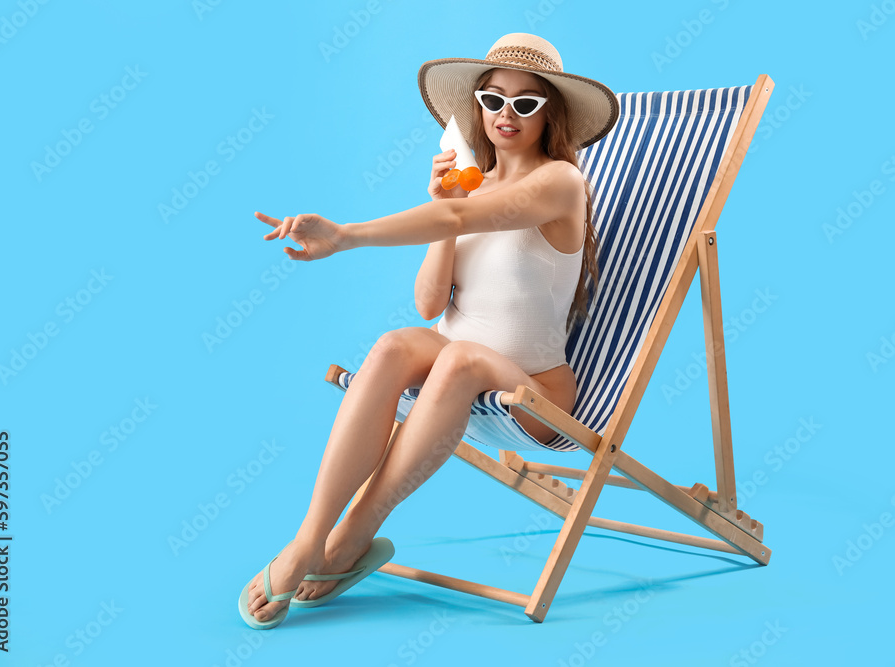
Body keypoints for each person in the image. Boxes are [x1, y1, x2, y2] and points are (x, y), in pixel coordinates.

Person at [240, 33, 618, 629]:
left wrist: (346, 236)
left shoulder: (561, 183)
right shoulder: (470, 190)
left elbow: (461, 217)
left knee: (462, 358)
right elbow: (427, 303)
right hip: (456, 355)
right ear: (477, 108)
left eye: (525, 103)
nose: (505, 116)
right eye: (493, 100)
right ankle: (309, 539)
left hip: (535, 394)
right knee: (393, 345)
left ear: (551, 113)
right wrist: (444, 199)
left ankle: (348, 540)